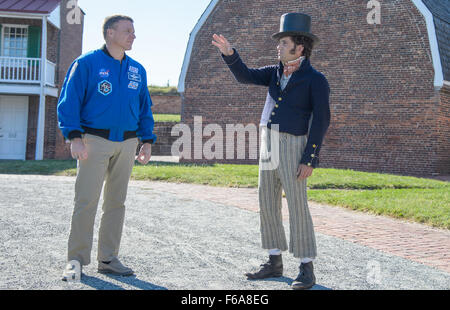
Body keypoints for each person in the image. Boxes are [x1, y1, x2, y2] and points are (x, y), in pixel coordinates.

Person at [212, 12, 330, 290]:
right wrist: (230, 54)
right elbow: (245, 76)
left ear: (299, 47)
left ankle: (306, 267)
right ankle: (274, 261)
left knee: (297, 205)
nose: (277, 46)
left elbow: (322, 121)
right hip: (268, 142)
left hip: (294, 144)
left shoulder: (316, 79)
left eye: (283, 42)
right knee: (266, 201)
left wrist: (309, 158)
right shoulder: (275, 71)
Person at [58, 15, 156, 280]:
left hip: (127, 143)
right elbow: (69, 102)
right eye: (127, 31)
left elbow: (145, 108)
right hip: (94, 141)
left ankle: (108, 258)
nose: (133, 36)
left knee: (116, 203)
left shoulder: (138, 69)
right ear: (110, 33)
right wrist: (74, 137)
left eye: (133, 32)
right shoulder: (86, 63)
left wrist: (146, 141)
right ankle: (76, 262)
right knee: (86, 201)